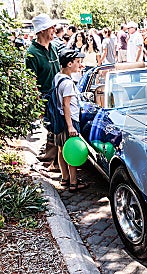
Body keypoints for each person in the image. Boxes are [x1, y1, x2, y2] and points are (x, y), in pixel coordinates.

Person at [25, 14, 60, 172]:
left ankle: (55, 161)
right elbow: (31, 81)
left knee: (58, 128)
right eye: (51, 27)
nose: (54, 30)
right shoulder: (32, 53)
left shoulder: (53, 47)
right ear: (42, 30)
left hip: (58, 93)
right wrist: (38, 103)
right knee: (52, 128)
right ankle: (51, 163)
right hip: (45, 96)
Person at [54, 49, 88, 192]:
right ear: (69, 64)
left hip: (59, 119)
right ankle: (74, 182)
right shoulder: (68, 83)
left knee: (62, 149)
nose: (79, 65)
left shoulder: (58, 76)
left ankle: (65, 178)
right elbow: (66, 104)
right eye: (77, 62)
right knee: (72, 149)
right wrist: (70, 126)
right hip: (70, 120)